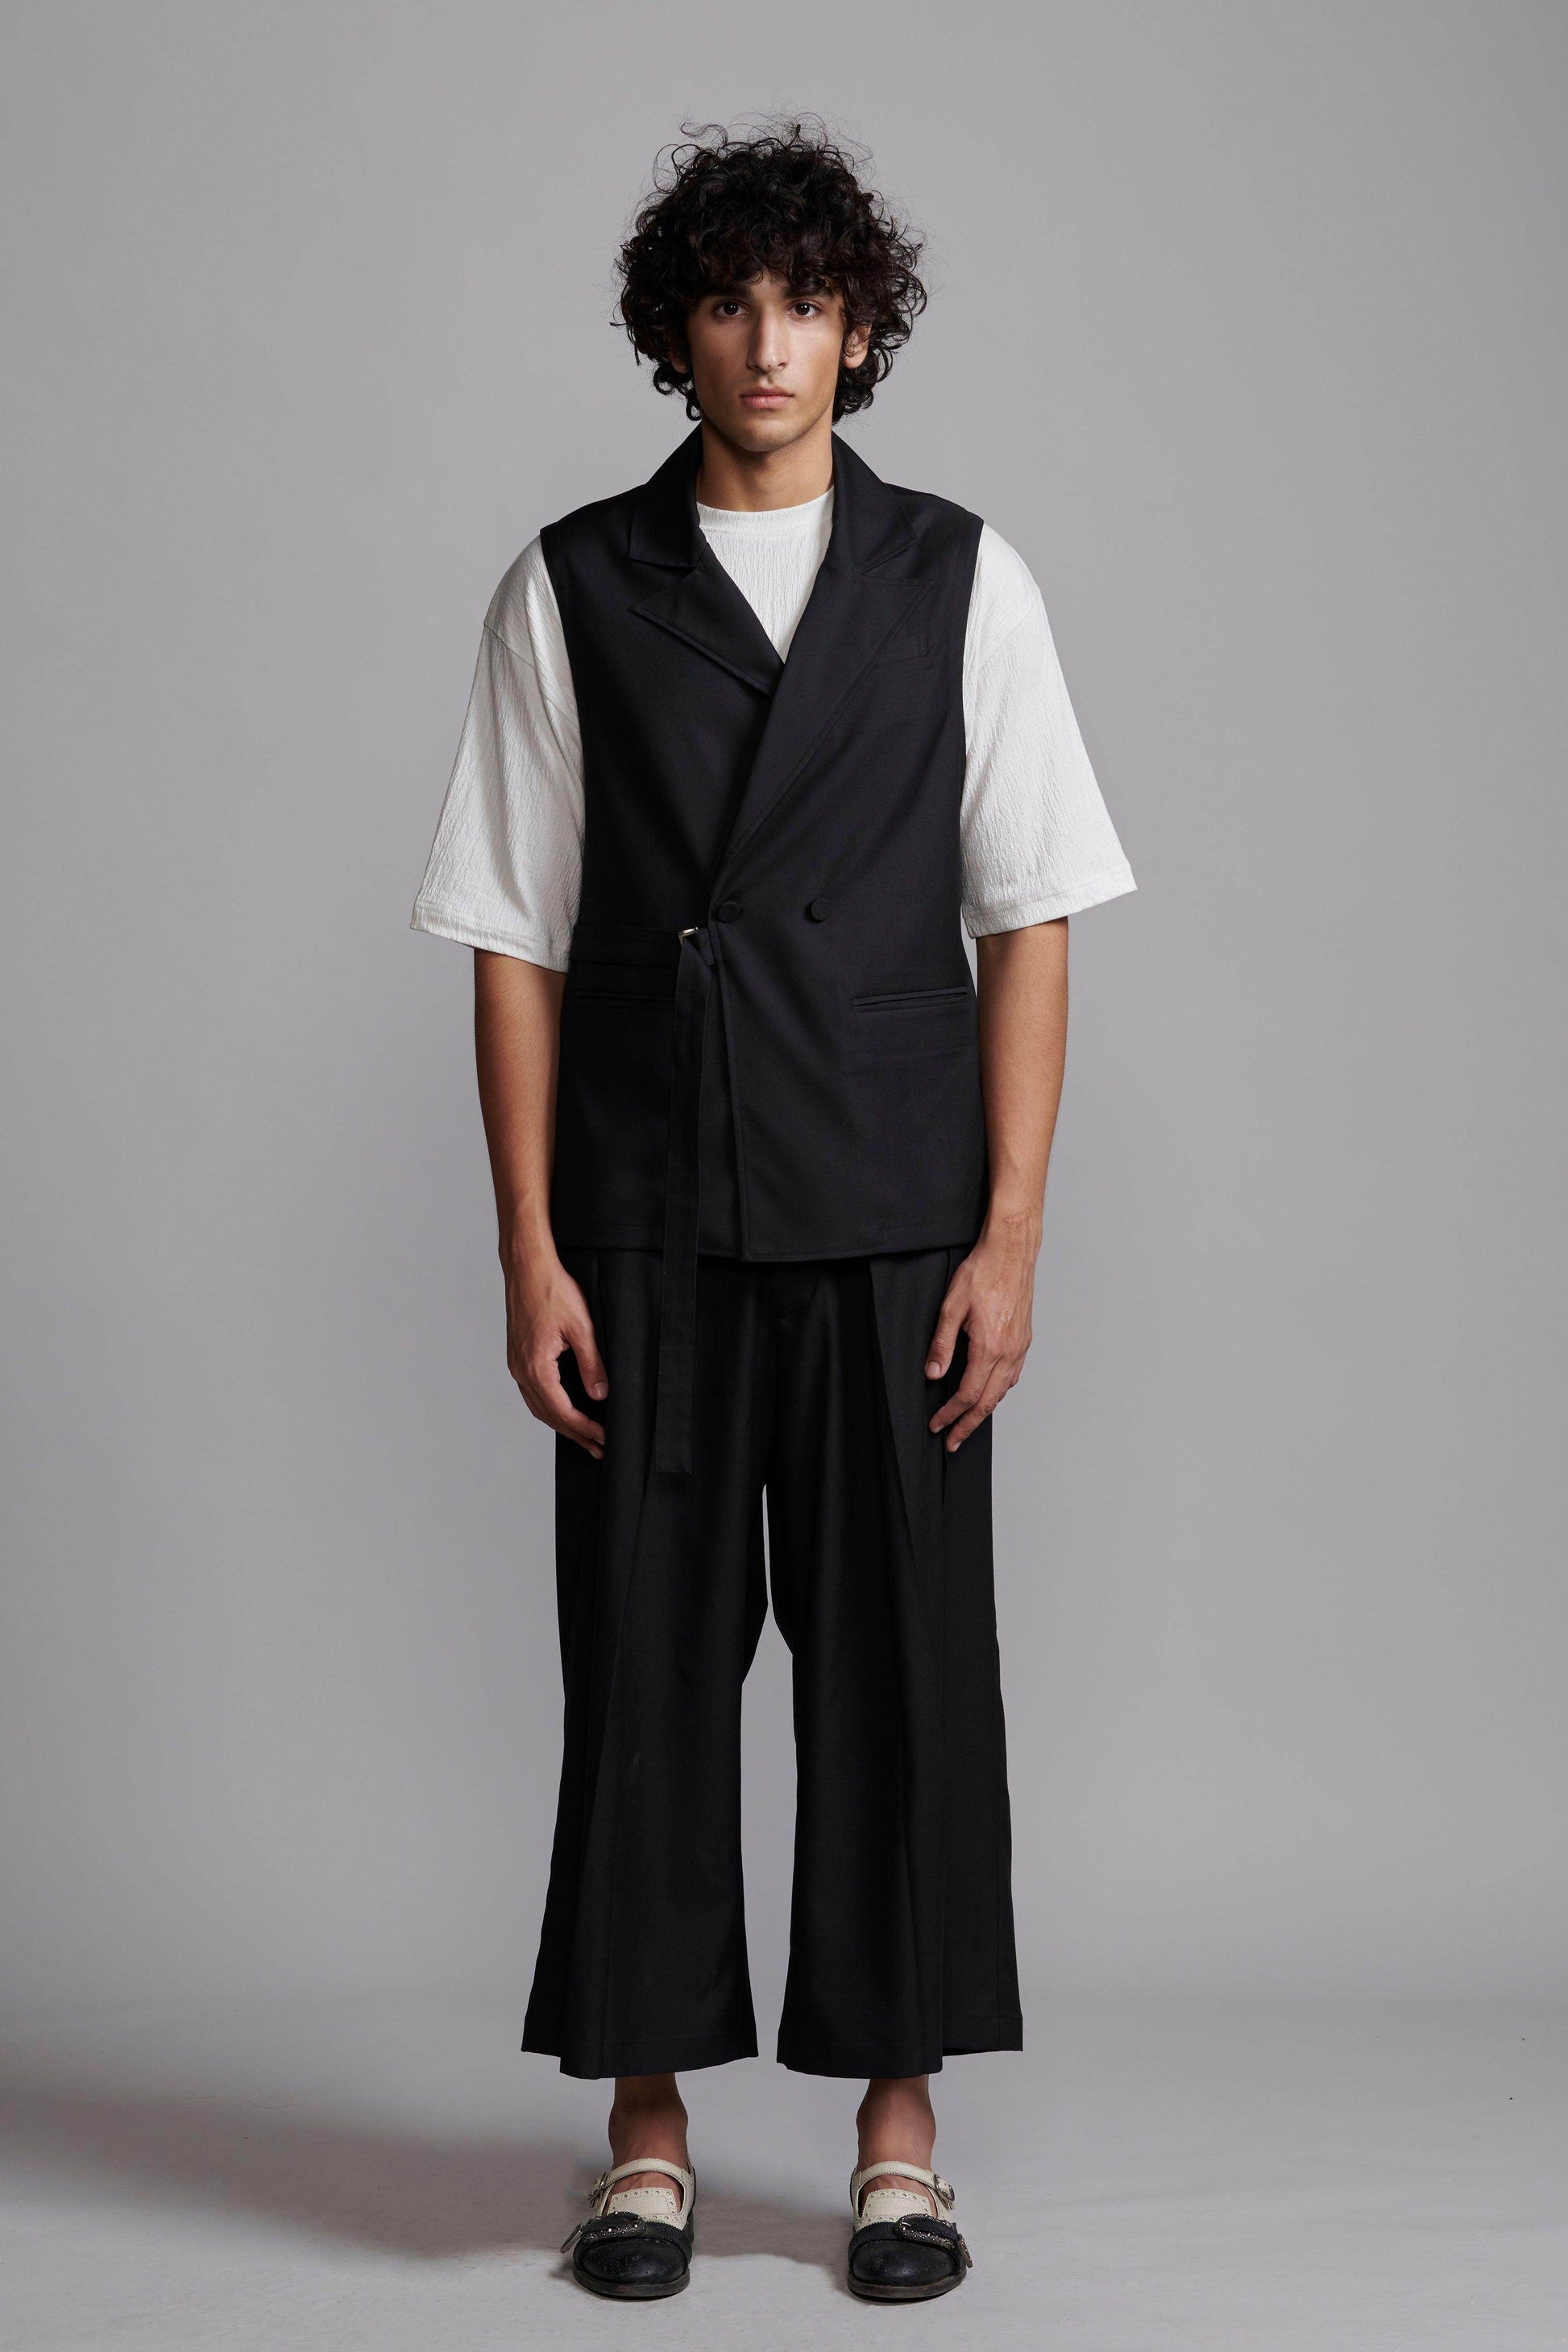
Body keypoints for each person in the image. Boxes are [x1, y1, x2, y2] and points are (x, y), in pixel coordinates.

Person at [412, 122, 1134, 2305]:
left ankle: (899, 2136)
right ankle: (644, 2134)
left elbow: (1030, 917)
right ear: (674, 330)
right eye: (727, 302)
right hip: (643, 1207)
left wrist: (1010, 1236)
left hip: (897, 1209)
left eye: (806, 303)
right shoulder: (570, 584)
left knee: (903, 1670)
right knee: (641, 1667)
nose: (767, 344)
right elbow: (511, 933)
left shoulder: (958, 579)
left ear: (861, 327)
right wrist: (528, 1243)